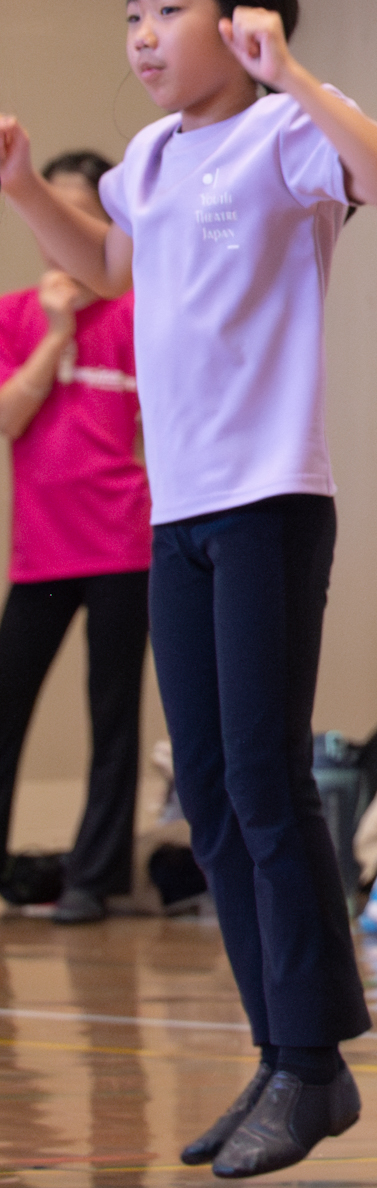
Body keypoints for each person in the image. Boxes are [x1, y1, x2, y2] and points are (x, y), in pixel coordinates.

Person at [0, 0, 377, 1176]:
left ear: (242, 17)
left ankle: (310, 1063)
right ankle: (286, 1054)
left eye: (165, 9)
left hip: (271, 500)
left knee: (266, 779)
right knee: (216, 800)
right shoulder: (146, 153)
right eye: (130, 11)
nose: (140, 34)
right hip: (173, 516)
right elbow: (114, 270)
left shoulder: (289, 130)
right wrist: (26, 190)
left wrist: (295, 73)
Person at [0, 149, 150, 926]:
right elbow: (8, 418)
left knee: (114, 715)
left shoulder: (133, 318)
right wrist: (55, 335)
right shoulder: (15, 316)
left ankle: (94, 881)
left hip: (125, 549)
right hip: (41, 556)